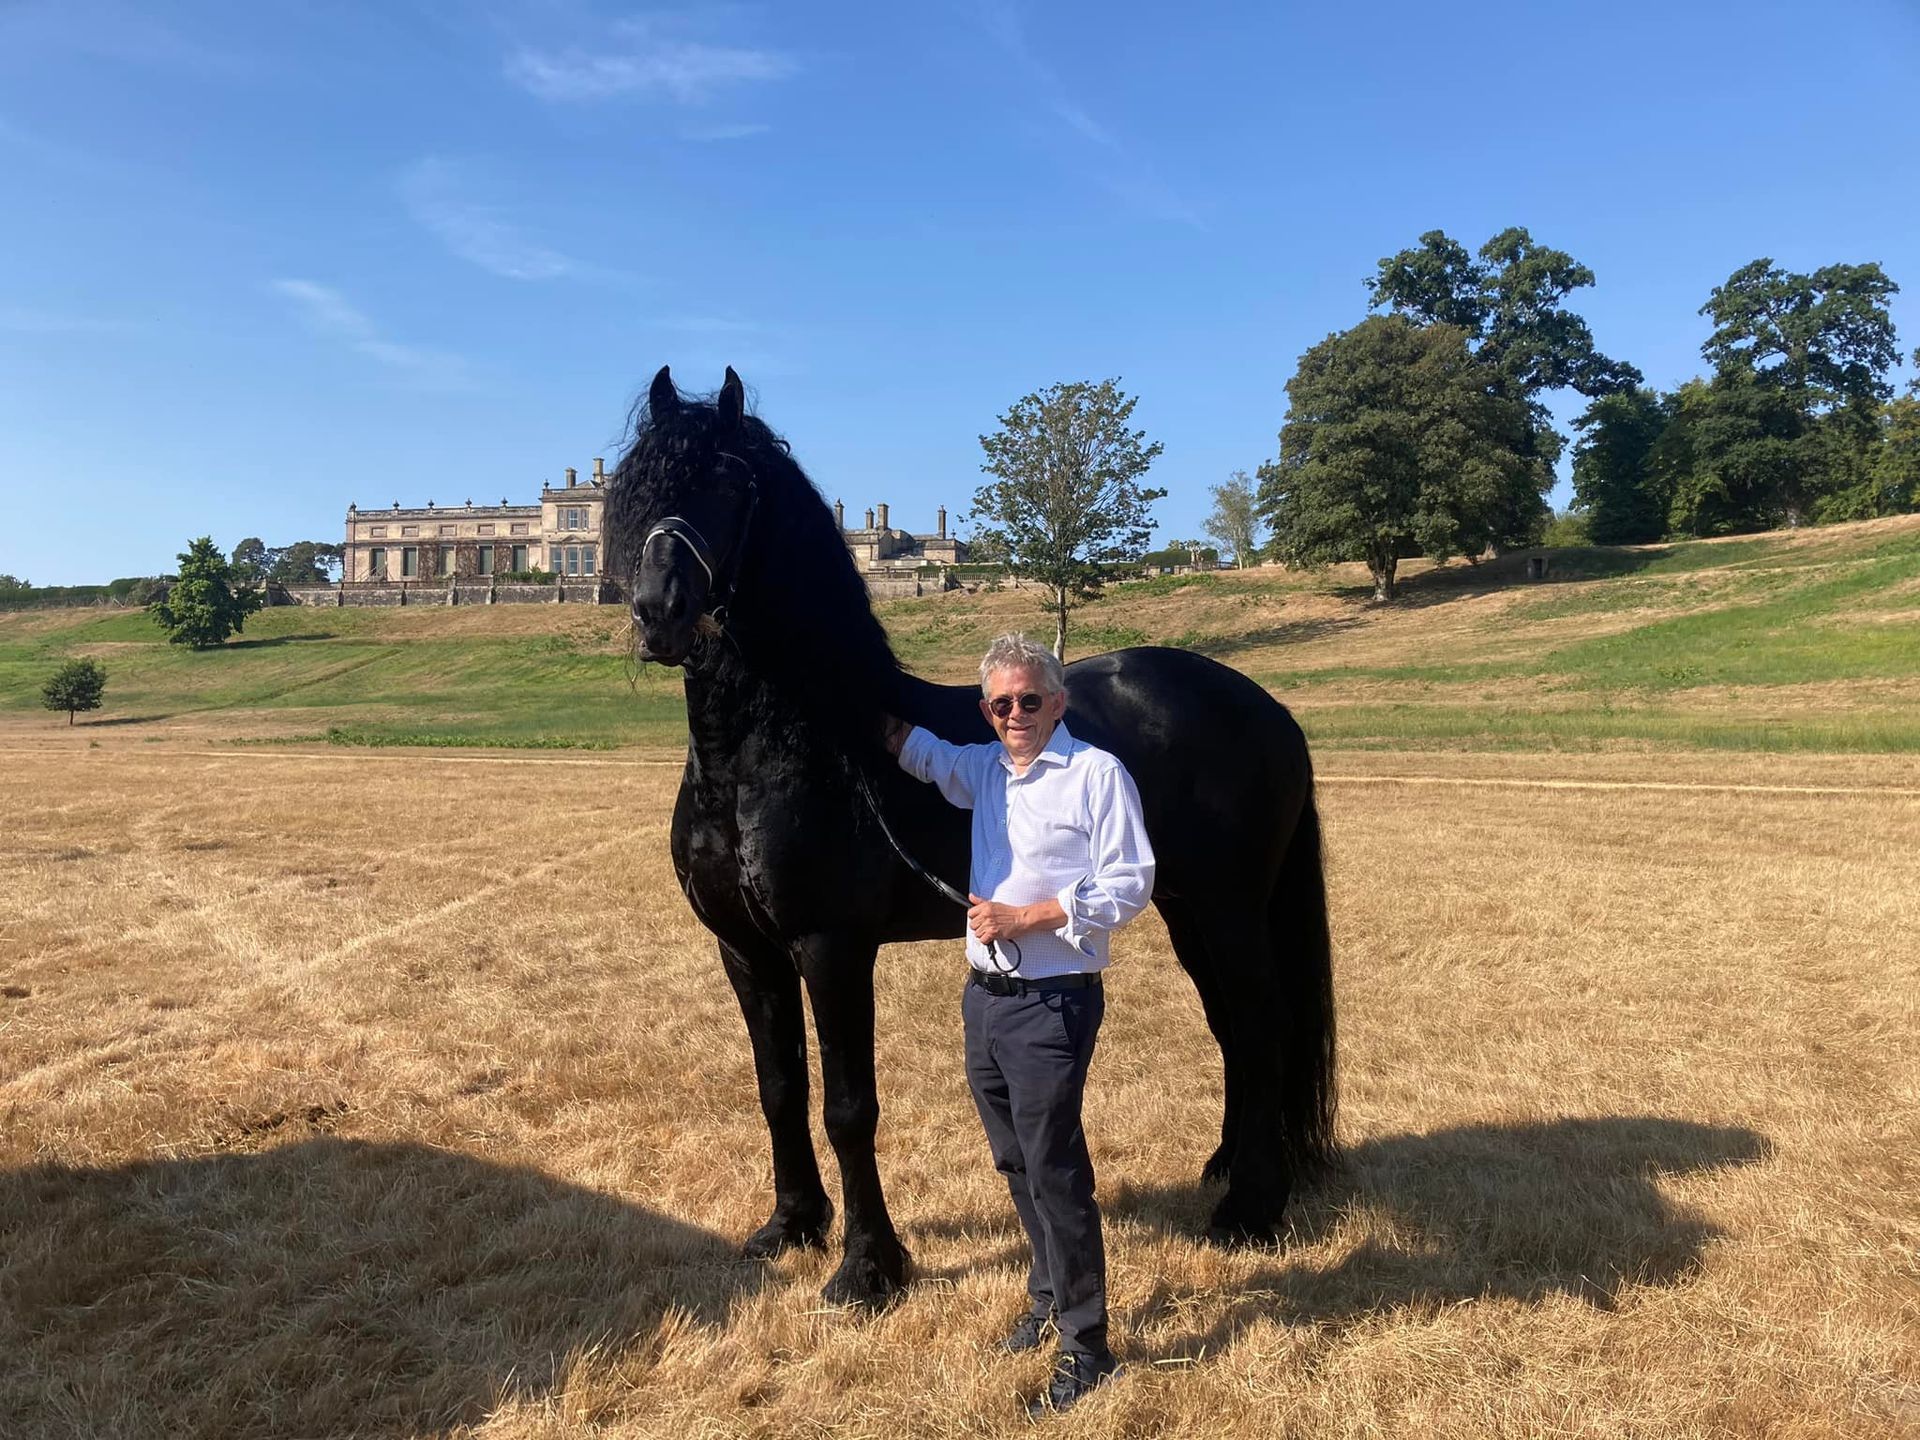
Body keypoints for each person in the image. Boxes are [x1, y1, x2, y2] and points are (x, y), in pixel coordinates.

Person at [884, 632, 1155, 1417]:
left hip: (1054, 1000)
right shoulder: (986, 772)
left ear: (1057, 702)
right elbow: (925, 754)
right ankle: (1046, 1296)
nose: (1017, 714)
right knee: (1013, 1163)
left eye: (1030, 700)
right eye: (1002, 704)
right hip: (985, 1001)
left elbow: (1130, 881)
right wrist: (861, 712)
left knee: (1056, 1170)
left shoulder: (1096, 776)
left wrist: (1030, 916)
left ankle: (1087, 1346)